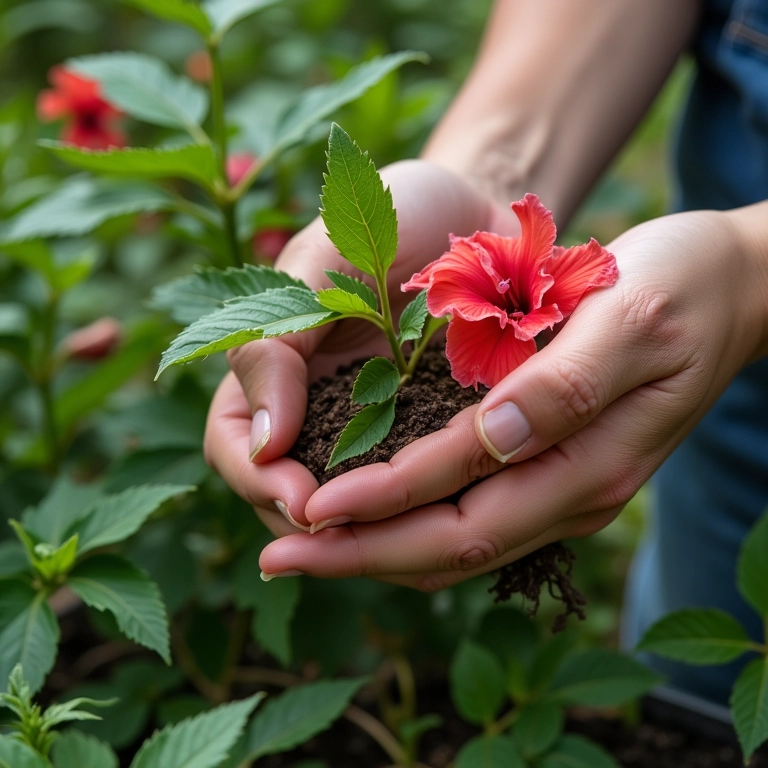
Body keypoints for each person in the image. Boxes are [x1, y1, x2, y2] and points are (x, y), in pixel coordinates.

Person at [204, 0, 768, 704]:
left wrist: (750, 273)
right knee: (697, 693)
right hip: (730, 403)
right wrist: (489, 178)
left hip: (721, 306)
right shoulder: (496, 292)